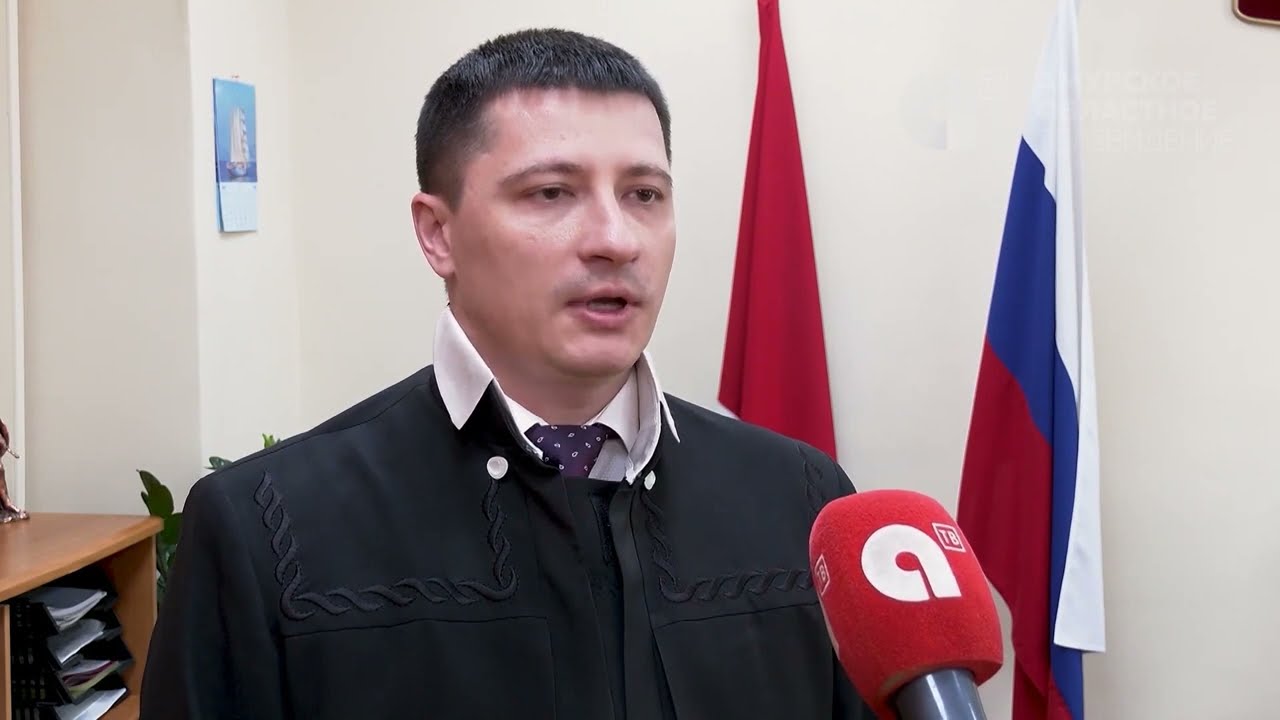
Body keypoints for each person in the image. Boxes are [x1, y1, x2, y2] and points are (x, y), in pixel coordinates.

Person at [140, 27, 873, 720]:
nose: (616, 240)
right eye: (551, 192)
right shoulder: (266, 530)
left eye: (644, 194)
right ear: (438, 233)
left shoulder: (805, 502)